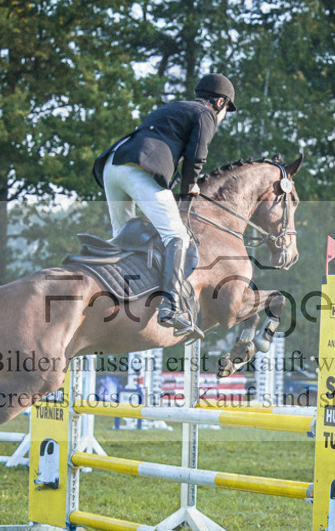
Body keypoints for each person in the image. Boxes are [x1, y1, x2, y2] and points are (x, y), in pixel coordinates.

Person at [93, 73, 236, 337]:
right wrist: (190, 187)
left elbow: (164, 157)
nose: (224, 115)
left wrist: (177, 187)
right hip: (137, 168)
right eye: (226, 109)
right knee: (176, 235)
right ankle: (171, 306)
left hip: (113, 165)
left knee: (122, 237)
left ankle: (111, 293)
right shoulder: (206, 115)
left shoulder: (175, 108)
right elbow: (196, 156)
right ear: (219, 102)